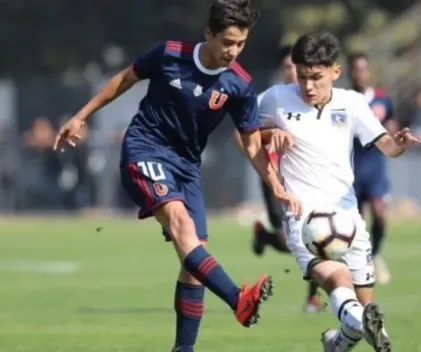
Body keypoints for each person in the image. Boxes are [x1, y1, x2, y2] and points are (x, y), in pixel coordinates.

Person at [53, 1, 302, 351]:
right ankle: (238, 299)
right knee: (181, 226)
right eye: (227, 42)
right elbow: (124, 80)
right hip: (145, 149)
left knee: (195, 258)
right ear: (208, 34)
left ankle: (183, 349)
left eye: (241, 44)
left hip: (187, 166)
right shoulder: (171, 54)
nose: (233, 51)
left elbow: (251, 145)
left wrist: (276, 184)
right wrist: (81, 116)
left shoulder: (239, 85)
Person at [258, 31, 421, 351]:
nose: (307, 86)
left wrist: (399, 144)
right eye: (302, 76)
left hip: (347, 215)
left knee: (362, 300)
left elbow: (386, 146)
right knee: (337, 280)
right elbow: (248, 136)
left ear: (335, 71)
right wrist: (270, 133)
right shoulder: (275, 98)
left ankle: (339, 341)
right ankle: (362, 326)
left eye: (316, 77)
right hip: (302, 214)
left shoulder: (353, 103)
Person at [233, 45, 326, 313]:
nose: (293, 72)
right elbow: (241, 135)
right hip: (274, 179)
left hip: (307, 179)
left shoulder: (315, 100)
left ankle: (313, 298)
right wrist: (259, 159)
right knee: (290, 241)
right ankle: (266, 237)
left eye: (296, 67)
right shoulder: (267, 99)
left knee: (316, 236)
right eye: (288, 67)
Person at [347, 53, 398, 284]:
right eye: (355, 69)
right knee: (354, 223)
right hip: (350, 168)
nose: (359, 73)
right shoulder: (342, 100)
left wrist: (396, 136)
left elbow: (391, 125)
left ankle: (375, 254)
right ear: (349, 72)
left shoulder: (382, 99)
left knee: (379, 214)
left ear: (368, 72)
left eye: (363, 69)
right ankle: (358, 262)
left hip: (375, 167)